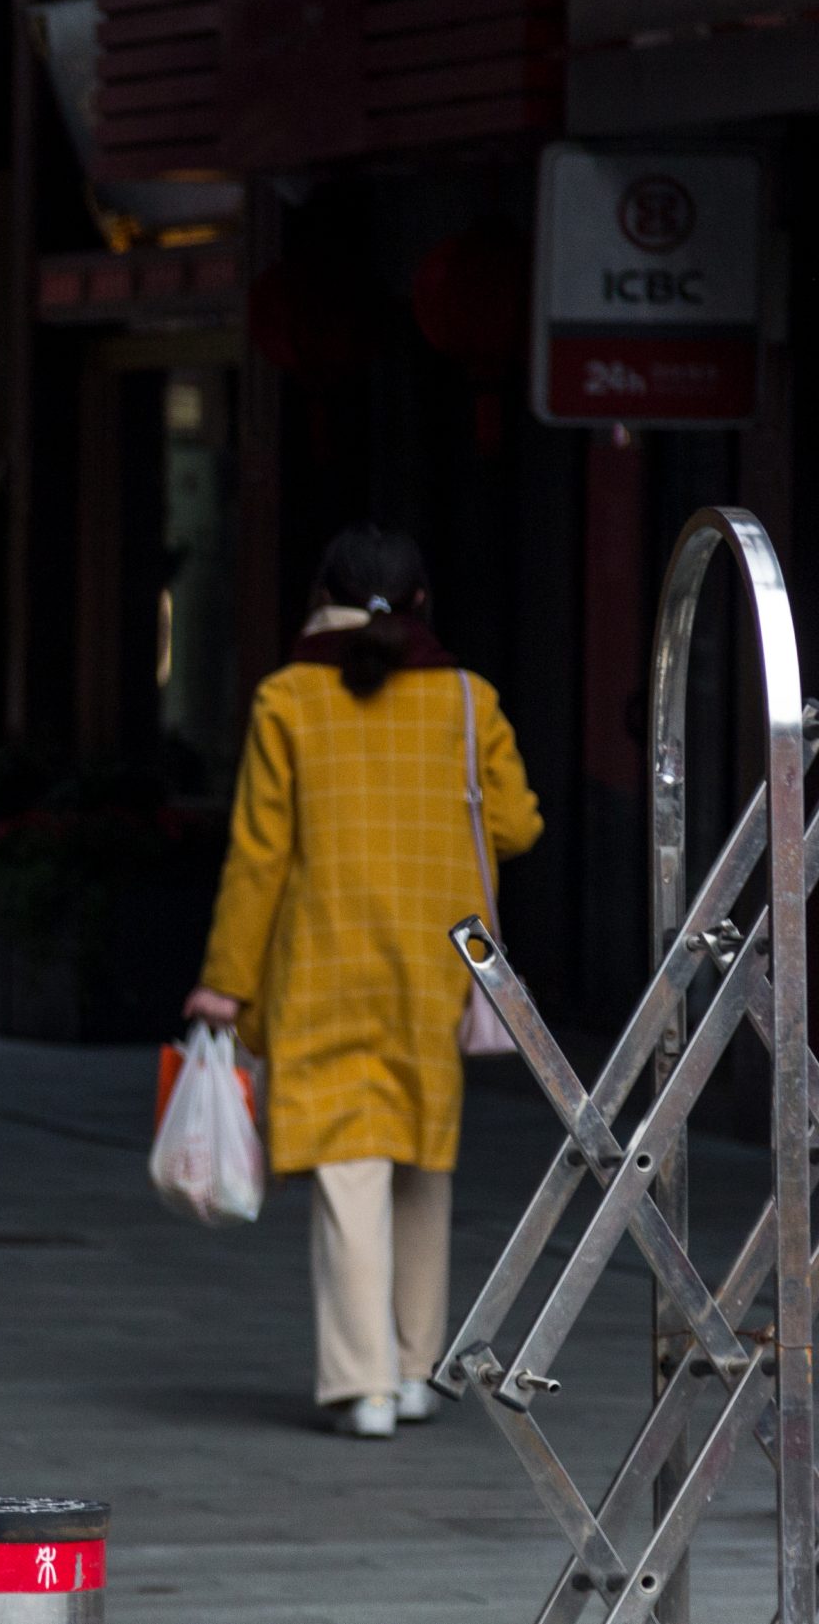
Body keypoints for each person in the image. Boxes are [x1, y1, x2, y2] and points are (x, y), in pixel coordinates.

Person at [187, 525, 542, 1440]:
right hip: (438, 964)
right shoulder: (469, 698)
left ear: (321, 595)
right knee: (423, 1161)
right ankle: (419, 1369)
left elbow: (259, 856)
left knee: (350, 1168)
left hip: (324, 962)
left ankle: (363, 1385)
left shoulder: (287, 699)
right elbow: (518, 824)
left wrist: (224, 981)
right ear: (419, 602)